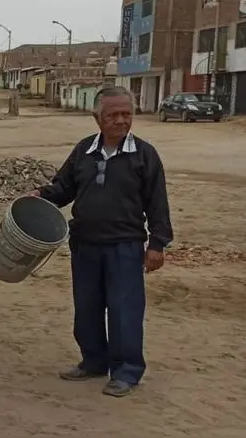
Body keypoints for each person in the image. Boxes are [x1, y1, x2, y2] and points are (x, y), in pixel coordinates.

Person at [32, 85, 172, 398]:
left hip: (124, 247)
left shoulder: (144, 155)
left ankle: (126, 371)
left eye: (127, 114)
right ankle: (93, 361)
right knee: (87, 308)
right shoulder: (84, 151)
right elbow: (63, 188)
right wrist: (40, 195)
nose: (121, 121)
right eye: (113, 115)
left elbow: (158, 204)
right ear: (98, 118)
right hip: (84, 245)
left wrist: (157, 244)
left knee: (124, 310)